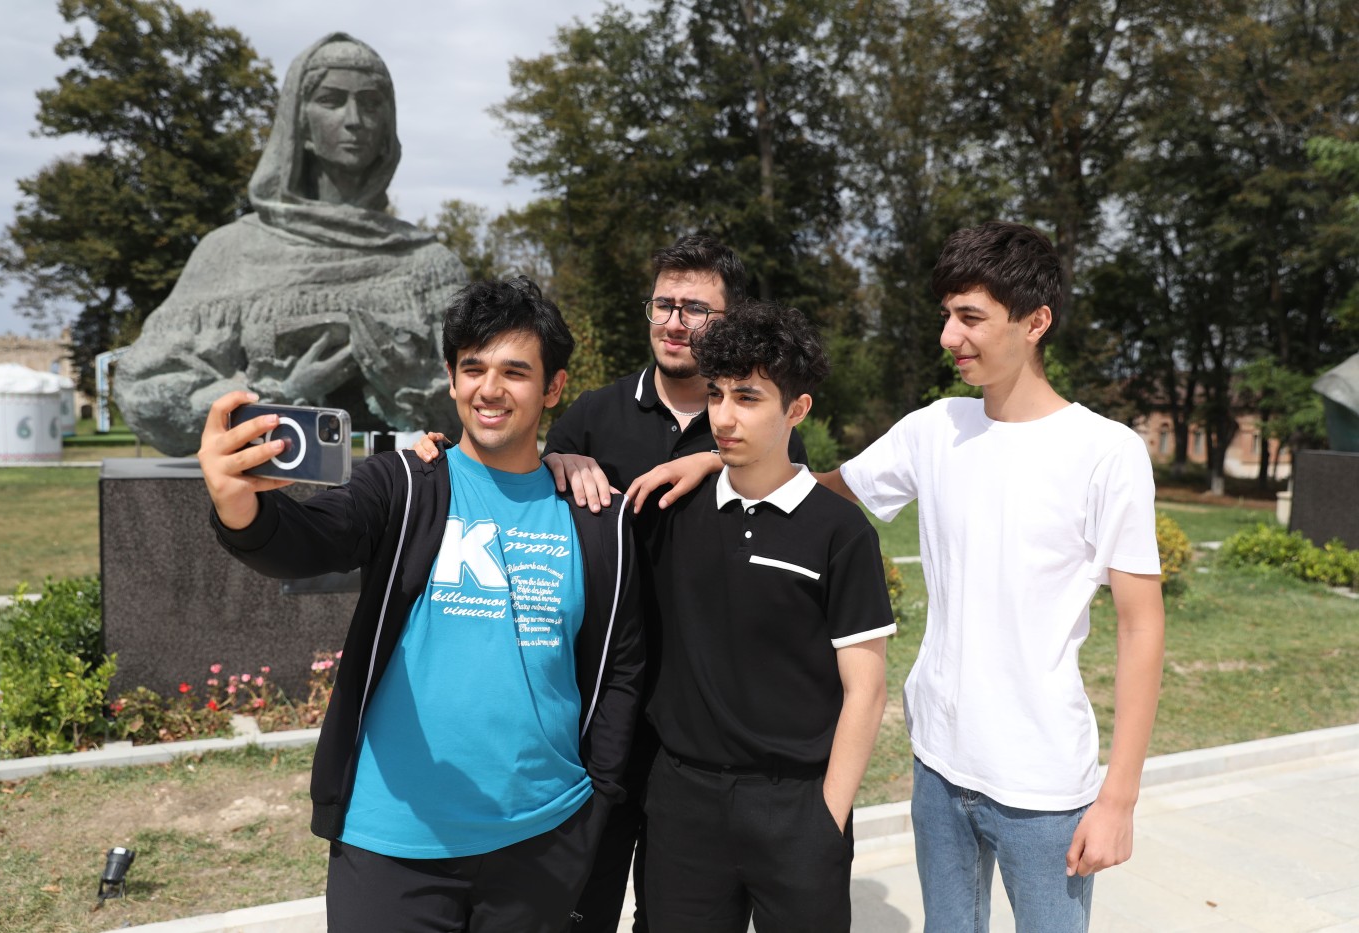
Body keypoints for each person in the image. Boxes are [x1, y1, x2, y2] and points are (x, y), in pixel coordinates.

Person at [197, 277, 644, 932]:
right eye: (473, 368)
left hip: (543, 840)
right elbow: (310, 540)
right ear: (451, 377)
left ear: (553, 388)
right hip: (392, 844)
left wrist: (595, 800)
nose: (490, 389)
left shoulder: (596, 517)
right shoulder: (407, 482)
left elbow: (622, 669)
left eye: (515, 371)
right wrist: (240, 506)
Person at [415, 233, 807, 932]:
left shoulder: (760, 428)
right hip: (598, 711)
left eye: (697, 308)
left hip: (703, 730)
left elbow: (800, 502)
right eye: (664, 303)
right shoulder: (592, 416)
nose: (675, 322)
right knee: (576, 905)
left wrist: (714, 463)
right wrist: (436, 452)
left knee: (677, 913)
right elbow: (503, 458)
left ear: (733, 317)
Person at [820, 221, 1167, 931]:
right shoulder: (935, 427)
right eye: (947, 314)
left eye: (970, 316)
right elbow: (828, 489)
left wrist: (1118, 799)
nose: (950, 336)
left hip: (1042, 788)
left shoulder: (1107, 451)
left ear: (1036, 321)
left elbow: (1141, 622)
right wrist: (725, 464)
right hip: (937, 766)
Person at [640, 300, 894, 932]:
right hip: (683, 805)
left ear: (797, 410)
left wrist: (827, 818)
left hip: (798, 807)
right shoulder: (673, 513)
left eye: (748, 398)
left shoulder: (841, 533)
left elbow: (867, 688)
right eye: (717, 395)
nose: (723, 417)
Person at [119, 32, 467, 456]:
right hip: (263, 497)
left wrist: (411, 381)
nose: (354, 119)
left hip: (405, 495)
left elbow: (479, 409)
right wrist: (279, 393)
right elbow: (145, 398)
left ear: (387, 124)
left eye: (371, 103)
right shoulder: (231, 253)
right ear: (299, 122)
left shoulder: (430, 264)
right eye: (332, 100)